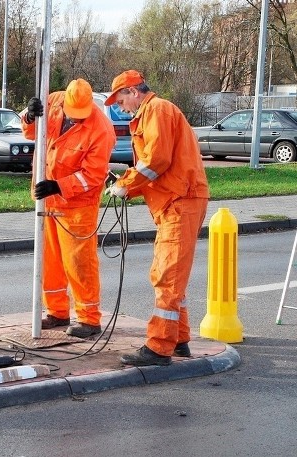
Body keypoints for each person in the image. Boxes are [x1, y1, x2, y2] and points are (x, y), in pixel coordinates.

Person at [104, 70, 210, 366]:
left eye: (120, 99)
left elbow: (156, 162)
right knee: (172, 276)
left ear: (133, 92)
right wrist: (126, 183)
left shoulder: (157, 110)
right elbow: (155, 167)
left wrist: (125, 186)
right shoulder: (154, 113)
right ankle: (179, 339)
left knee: (167, 276)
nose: (119, 107)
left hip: (180, 201)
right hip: (177, 200)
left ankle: (160, 346)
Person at [21, 78, 116, 338]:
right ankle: (57, 311)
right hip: (48, 199)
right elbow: (30, 131)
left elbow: (93, 176)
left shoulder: (101, 130)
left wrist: (58, 186)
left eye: (79, 117)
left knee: (79, 262)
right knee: (49, 259)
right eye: (71, 116)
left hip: (78, 207)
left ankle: (89, 319)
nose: (74, 121)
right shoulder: (53, 101)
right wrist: (30, 115)